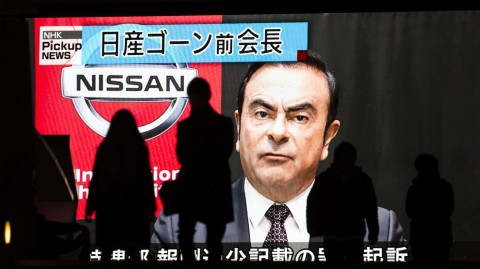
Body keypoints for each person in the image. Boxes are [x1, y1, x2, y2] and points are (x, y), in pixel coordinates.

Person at [151, 50, 405, 258]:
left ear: (328, 136)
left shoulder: (378, 231)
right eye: (262, 114)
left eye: (300, 117)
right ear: (238, 129)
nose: (278, 132)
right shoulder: (178, 227)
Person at [173, 77, 235, 262]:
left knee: (202, 236)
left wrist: (196, 151)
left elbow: (220, 153)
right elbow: (185, 156)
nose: (195, 102)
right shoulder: (222, 124)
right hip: (210, 183)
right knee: (206, 237)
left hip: (200, 184)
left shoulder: (188, 127)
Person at [86, 109, 156, 261]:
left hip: (109, 205)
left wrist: (90, 206)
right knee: (134, 250)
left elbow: (96, 179)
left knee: (108, 251)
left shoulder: (105, 149)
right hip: (134, 205)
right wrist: (151, 207)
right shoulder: (139, 149)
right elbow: (146, 180)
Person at [307, 141, 378, 263]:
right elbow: (370, 208)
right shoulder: (362, 179)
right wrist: (373, 231)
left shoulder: (325, 178)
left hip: (339, 234)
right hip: (348, 234)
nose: (346, 160)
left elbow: (313, 205)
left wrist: (314, 229)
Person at [406, 153, 454, 262]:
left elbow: (409, 211)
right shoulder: (445, 187)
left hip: (420, 236)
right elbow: (448, 210)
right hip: (440, 236)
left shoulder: (414, 189)